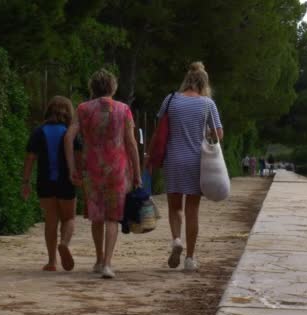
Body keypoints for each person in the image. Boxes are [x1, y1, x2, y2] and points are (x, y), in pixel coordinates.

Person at [64, 69, 141, 279]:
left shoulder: (82, 109)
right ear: (113, 87)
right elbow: (131, 143)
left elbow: (69, 137)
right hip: (117, 168)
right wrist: (137, 173)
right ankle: (108, 263)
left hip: (92, 169)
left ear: (92, 88)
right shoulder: (124, 109)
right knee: (113, 218)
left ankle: (98, 260)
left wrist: (72, 167)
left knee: (97, 216)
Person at [147, 61, 223, 272]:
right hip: (196, 161)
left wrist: (150, 157)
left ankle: (176, 240)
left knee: (174, 207)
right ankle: (190, 258)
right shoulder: (208, 104)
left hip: (173, 160)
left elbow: (158, 131)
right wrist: (204, 134)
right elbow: (219, 134)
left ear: (186, 80)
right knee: (192, 210)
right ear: (204, 83)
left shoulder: (170, 100)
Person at [22, 96, 80, 272]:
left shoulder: (38, 132)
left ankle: (52, 261)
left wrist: (25, 182)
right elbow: (78, 156)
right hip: (66, 181)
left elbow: (30, 158)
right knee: (69, 217)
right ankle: (64, 243)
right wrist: (80, 176)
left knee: (50, 220)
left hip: (45, 181)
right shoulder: (70, 132)